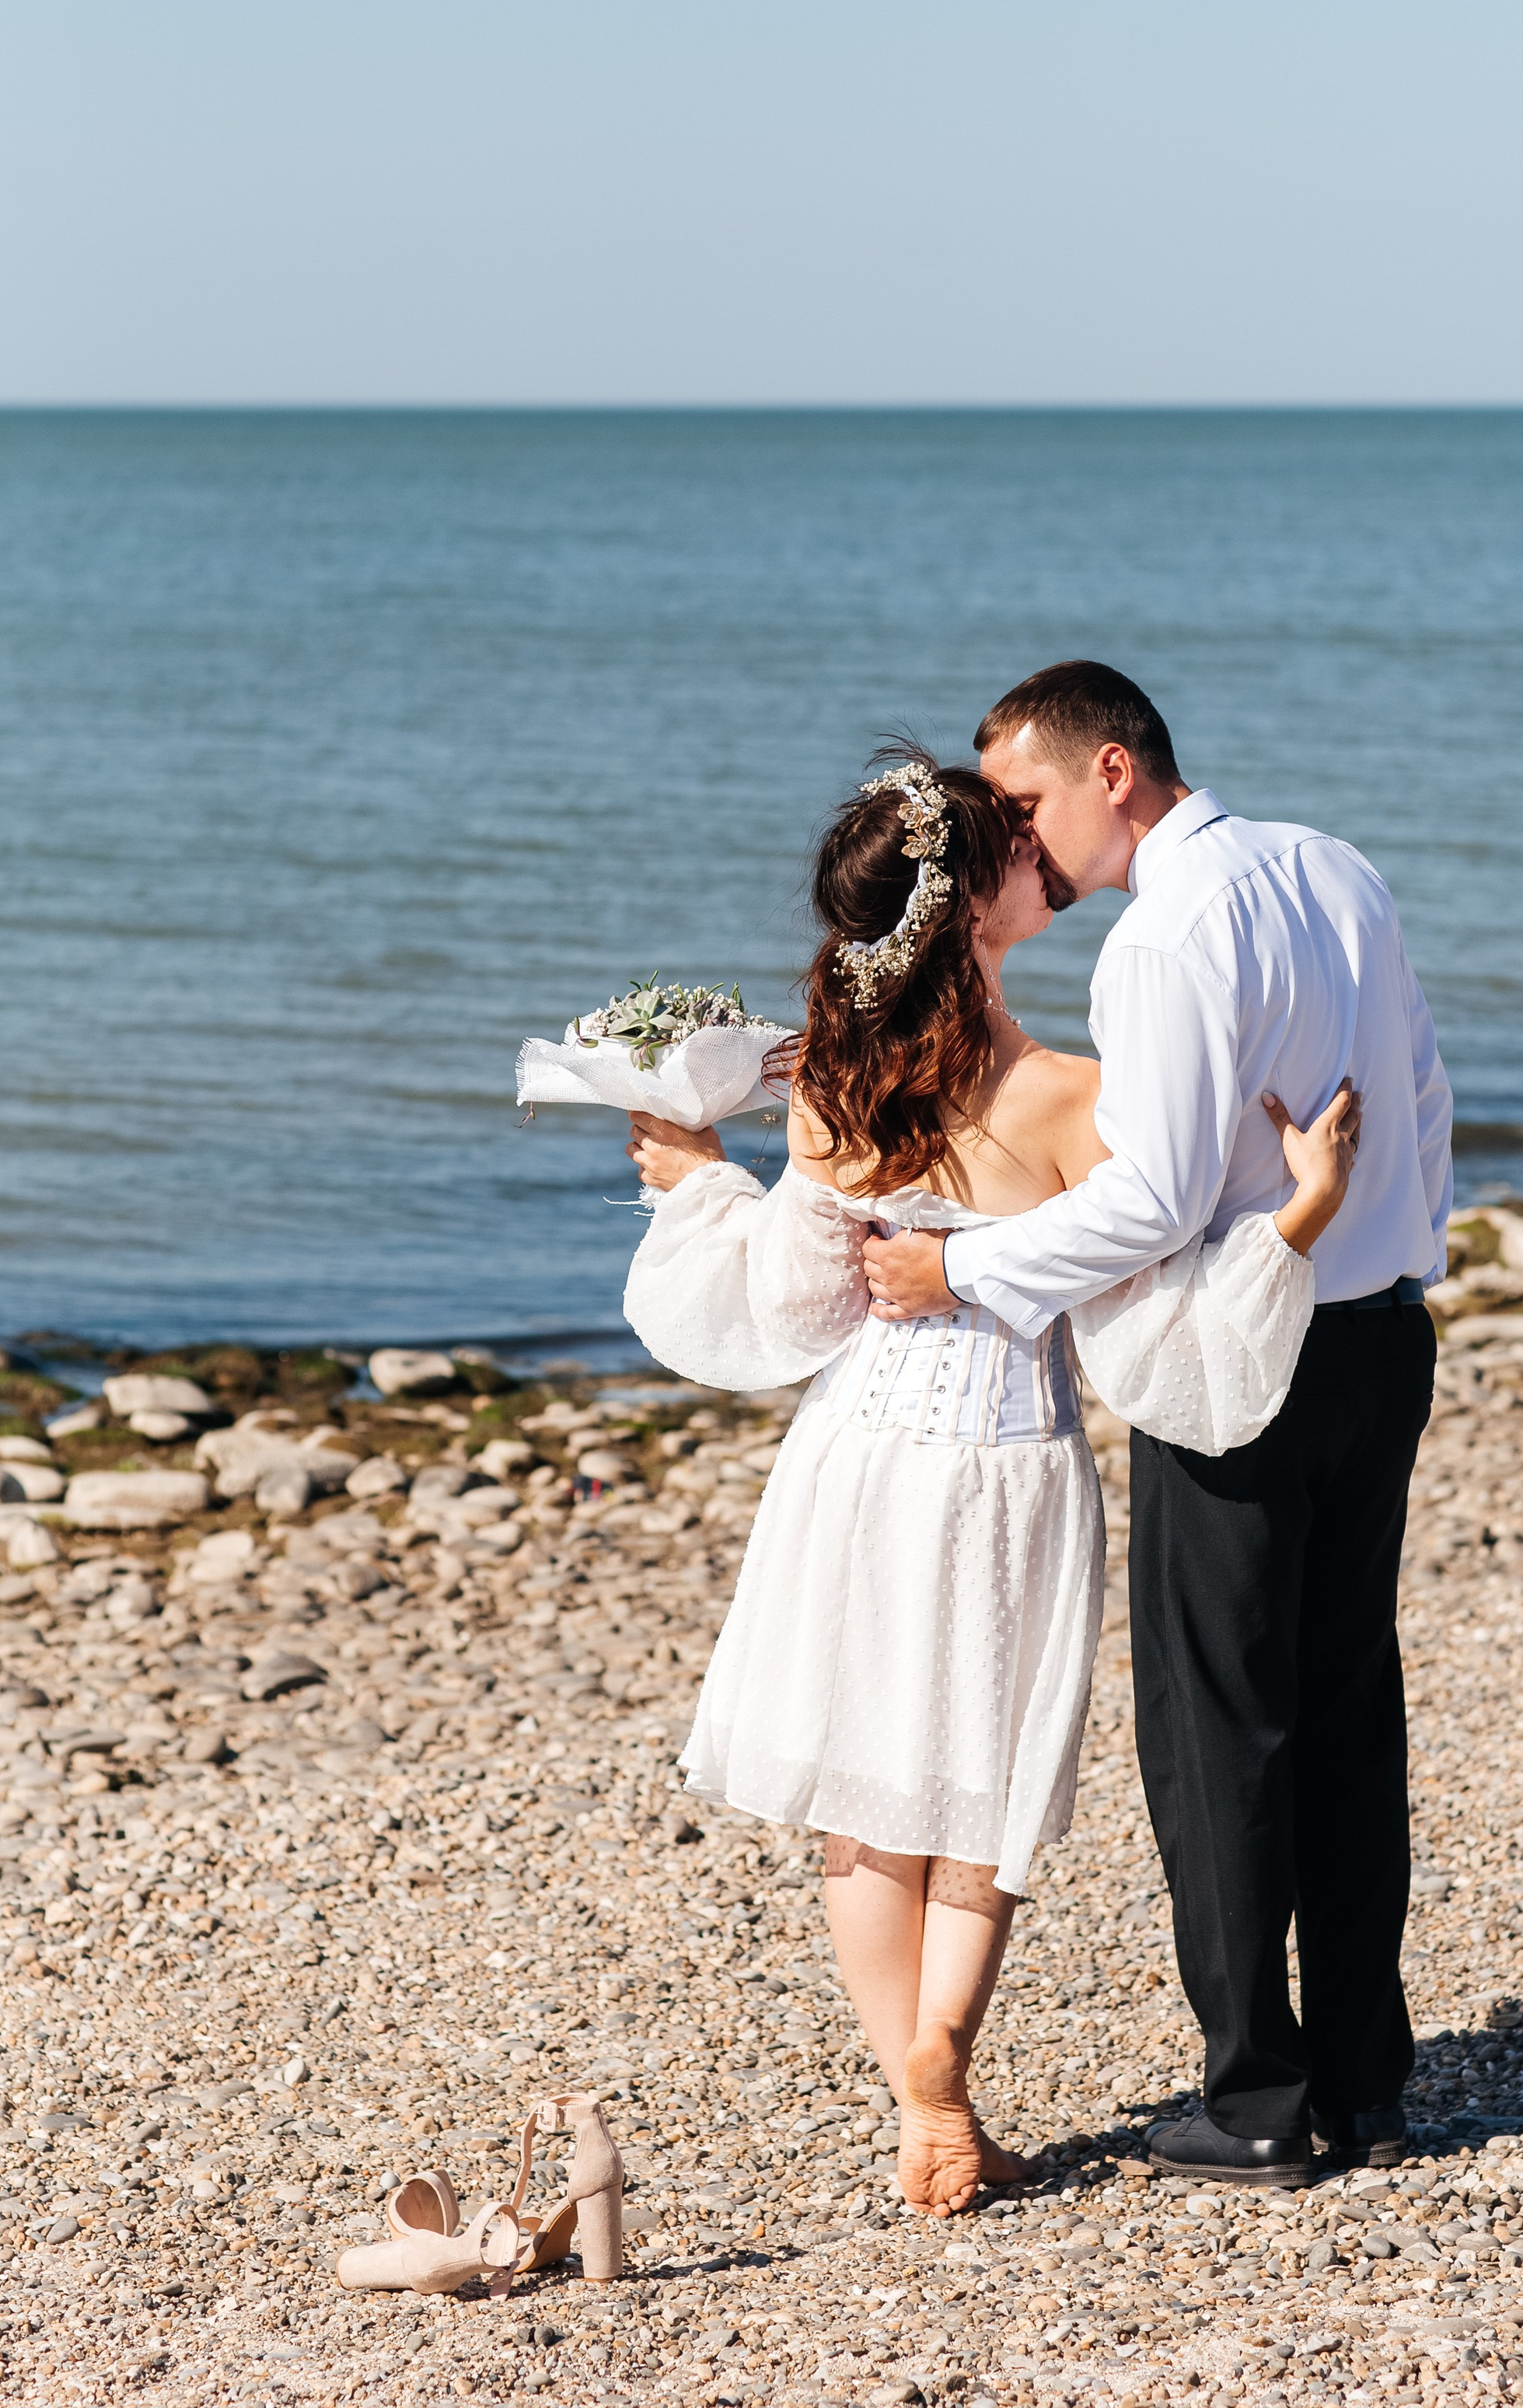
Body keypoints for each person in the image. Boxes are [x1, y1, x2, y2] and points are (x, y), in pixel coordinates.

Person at [620, 752, 1363, 2218]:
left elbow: (798, 1302)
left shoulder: (835, 1081)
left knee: (860, 1791)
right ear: (980, 911)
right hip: (1009, 1461)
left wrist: (696, 1182)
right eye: (1013, 844)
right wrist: (1307, 1211)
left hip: (854, 1454)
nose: (1041, 853)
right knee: (981, 1785)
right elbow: (1148, 1315)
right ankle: (940, 2076)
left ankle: (918, 2092)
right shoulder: (1072, 1098)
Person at [864, 665, 1453, 2187]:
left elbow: (1151, 1197)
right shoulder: (1338, 868)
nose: (1013, 835)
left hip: (1242, 1360)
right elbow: (1425, 1091)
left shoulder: (1161, 935)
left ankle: (1254, 2101)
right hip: (1379, 1338)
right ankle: (1363, 2080)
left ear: (1109, 770)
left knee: (1219, 1734)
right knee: (1342, 1709)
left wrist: (960, 1270)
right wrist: (1402, 1251)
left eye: (1023, 800)